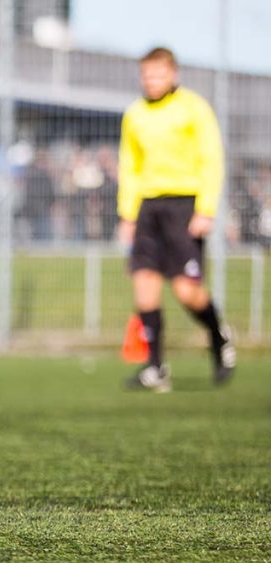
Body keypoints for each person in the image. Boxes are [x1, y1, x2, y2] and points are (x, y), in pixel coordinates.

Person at [117, 47, 235, 392]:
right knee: (144, 285)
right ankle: (155, 368)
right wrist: (127, 213)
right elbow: (130, 165)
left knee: (187, 292)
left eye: (158, 75)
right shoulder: (135, 114)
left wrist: (206, 209)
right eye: (146, 76)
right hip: (148, 208)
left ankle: (218, 335)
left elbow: (211, 159)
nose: (151, 81)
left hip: (185, 206)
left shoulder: (193, 108)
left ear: (173, 74)